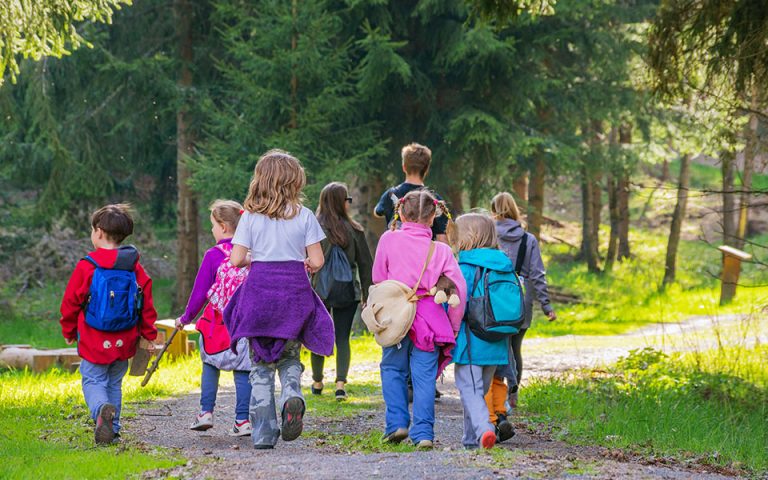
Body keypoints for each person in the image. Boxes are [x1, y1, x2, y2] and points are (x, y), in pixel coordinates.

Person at [223, 149, 335, 450]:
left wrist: (253, 258)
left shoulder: (250, 218)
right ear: (294, 183)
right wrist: (306, 263)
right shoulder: (305, 216)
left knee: (260, 367)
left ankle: (262, 433)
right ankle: (291, 395)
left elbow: (235, 259)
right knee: (289, 357)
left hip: (259, 297)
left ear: (260, 181)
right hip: (293, 296)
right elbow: (317, 259)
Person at [371, 190, 466, 449]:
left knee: (393, 369)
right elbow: (460, 290)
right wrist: (453, 327)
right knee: (424, 378)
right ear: (434, 217)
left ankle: (397, 424)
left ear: (400, 212)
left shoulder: (388, 240)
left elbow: (379, 278)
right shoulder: (442, 250)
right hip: (430, 321)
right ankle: (423, 433)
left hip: (396, 318)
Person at [59, 204, 157, 445]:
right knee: (114, 382)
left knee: (93, 380)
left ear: (99, 232)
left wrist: (69, 330)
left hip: (94, 339)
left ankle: (102, 411)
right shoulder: (134, 266)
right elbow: (146, 303)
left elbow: (71, 301)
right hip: (125, 339)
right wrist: (148, 334)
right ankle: (113, 429)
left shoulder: (88, 266)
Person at [176, 200, 253, 436]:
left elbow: (200, 292)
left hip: (215, 324)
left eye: (212, 225)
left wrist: (186, 317)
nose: (211, 230)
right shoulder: (251, 253)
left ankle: (206, 413)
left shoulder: (214, 255)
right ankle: (242, 421)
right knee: (243, 370)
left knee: (210, 364)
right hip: (244, 322)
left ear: (223, 226)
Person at [486, 192, 556, 432]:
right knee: (515, 348)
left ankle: (494, 397)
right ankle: (512, 394)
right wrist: (546, 306)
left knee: (495, 347)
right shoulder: (528, 239)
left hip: (493, 300)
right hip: (520, 301)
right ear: (515, 209)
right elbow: (537, 274)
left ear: (492, 209)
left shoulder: (488, 234)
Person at [453, 213, 516, 450]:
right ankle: (471, 439)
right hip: (498, 342)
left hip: (471, 342)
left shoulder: (466, 267)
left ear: (467, 237)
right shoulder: (504, 265)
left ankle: (484, 430)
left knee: (470, 389)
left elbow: (459, 305)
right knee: (478, 391)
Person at [310, 182, 373, 401]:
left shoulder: (314, 229)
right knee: (342, 338)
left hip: (319, 292)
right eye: (347, 199)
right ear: (340, 202)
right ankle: (339, 385)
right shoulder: (355, 230)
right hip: (347, 292)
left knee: (318, 335)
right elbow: (366, 265)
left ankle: (317, 381)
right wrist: (367, 294)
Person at [374, 143, 450, 244]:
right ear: (426, 170)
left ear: (404, 167)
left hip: (396, 254)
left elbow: (377, 212)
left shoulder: (391, 194)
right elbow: (442, 238)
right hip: (424, 256)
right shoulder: (434, 199)